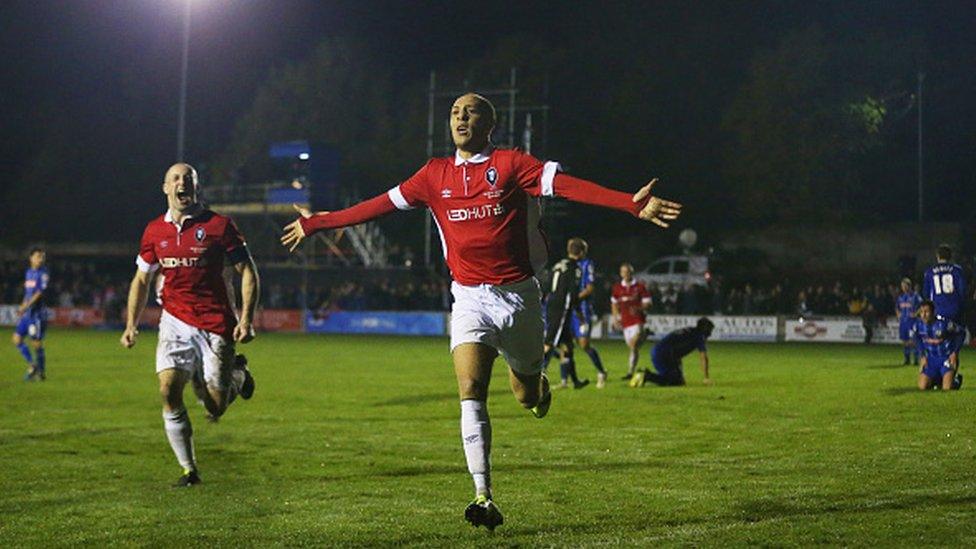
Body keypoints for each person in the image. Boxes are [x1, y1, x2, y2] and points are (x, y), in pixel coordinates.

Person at [280, 92, 682, 530]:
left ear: (491, 124)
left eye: (470, 111)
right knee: (470, 386)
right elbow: (374, 207)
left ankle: (539, 389)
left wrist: (629, 202)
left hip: (521, 298)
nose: (460, 117)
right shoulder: (433, 175)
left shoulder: (512, 164)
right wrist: (316, 222)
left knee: (526, 395)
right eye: (454, 112)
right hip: (469, 297)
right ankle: (483, 494)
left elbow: (565, 186)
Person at [120, 163, 259, 487]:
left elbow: (248, 270)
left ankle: (239, 374)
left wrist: (247, 318)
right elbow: (142, 279)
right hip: (174, 320)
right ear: (165, 187)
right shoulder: (154, 231)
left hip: (214, 322)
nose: (182, 183)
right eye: (176, 179)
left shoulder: (219, 226)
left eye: (188, 179)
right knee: (168, 391)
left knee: (215, 407)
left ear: (196, 188)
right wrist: (131, 324)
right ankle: (189, 470)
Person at [544, 255, 589, 389]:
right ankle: (533, 379)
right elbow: (573, 294)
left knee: (568, 347)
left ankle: (575, 381)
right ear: (581, 252)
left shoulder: (558, 265)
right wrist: (580, 315)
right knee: (549, 344)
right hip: (561, 309)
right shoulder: (575, 268)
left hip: (552, 305)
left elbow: (547, 286)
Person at [567, 238, 607, 387]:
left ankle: (602, 372)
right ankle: (566, 380)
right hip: (569, 309)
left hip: (582, 309)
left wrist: (574, 298)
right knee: (566, 344)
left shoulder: (587, 264)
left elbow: (590, 288)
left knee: (584, 344)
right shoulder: (568, 265)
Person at [631, 317, 713, 387]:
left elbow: (676, 353)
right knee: (672, 381)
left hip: (659, 351)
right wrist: (706, 377)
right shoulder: (698, 337)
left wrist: (680, 375)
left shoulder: (690, 331)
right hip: (664, 353)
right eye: (709, 331)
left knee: (678, 381)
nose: (710, 334)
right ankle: (646, 375)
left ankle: (646, 375)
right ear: (704, 329)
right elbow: (703, 357)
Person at [922, 244, 967, 358]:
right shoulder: (957, 270)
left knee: (940, 343)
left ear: (937, 256)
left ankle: (942, 371)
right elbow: (962, 291)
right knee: (954, 343)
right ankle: (951, 371)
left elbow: (926, 294)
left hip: (937, 311)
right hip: (955, 310)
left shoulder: (930, 272)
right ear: (950, 256)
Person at [611, 262, 652, 380]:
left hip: (638, 319)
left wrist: (639, 308)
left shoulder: (640, 287)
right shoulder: (617, 288)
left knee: (634, 345)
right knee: (632, 347)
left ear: (632, 273)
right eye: (624, 272)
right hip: (625, 321)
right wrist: (615, 318)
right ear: (621, 274)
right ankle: (645, 335)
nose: (626, 274)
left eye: (628, 272)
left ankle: (630, 372)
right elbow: (614, 304)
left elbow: (648, 303)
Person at [13, 248, 49, 381]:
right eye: (38, 256)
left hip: (37, 315)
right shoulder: (28, 273)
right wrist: (23, 307)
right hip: (27, 314)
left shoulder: (43, 273)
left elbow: (39, 293)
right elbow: (28, 293)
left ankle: (41, 372)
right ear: (31, 258)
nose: (41, 259)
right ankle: (32, 365)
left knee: (36, 343)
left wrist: (26, 305)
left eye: (42, 257)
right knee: (16, 339)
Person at [912, 300, 963, 390]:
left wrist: (955, 353)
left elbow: (961, 333)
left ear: (933, 312)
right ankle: (937, 380)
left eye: (926, 312)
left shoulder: (944, 323)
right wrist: (922, 356)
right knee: (922, 387)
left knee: (947, 388)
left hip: (946, 359)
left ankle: (956, 381)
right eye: (921, 312)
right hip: (931, 360)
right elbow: (916, 337)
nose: (923, 315)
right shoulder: (919, 325)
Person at [895, 278, 922, 365]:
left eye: (905, 285)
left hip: (912, 322)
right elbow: (897, 308)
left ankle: (916, 359)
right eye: (902, 286)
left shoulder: (915, 296)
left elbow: (922, 306)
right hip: (903, 322)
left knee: (913, 341)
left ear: (909, 286)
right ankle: (907, 359)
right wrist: (898, 314)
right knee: (905, 340)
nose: (903, 287)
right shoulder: (901, 297)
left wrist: (916, 314)